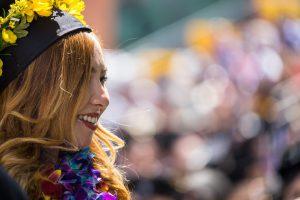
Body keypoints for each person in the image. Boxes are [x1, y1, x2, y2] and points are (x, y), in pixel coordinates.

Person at [0, 0, 130, 199]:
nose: (104, 98)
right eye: (82, 80)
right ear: (36, 90)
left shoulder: (100, 185)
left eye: (102, 79)